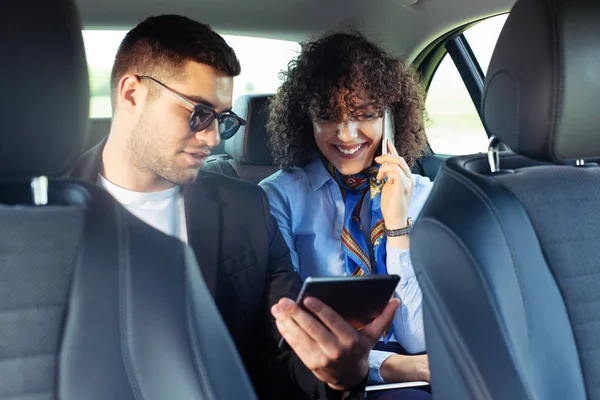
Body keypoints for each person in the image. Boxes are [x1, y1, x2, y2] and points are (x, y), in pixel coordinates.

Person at [70, 16, 399, 400]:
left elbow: (288, 348)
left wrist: (340, 374)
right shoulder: (34, 215)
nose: (211, 137)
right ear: (132, 94)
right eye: (198, 113)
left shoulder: (246, 210)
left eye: (221, 120)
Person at [259, 31, 434, 397]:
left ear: (391, 115)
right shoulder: (279, 197)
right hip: (326, 384)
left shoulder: (420, 192)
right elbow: (289, 330)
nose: (347, 134)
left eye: (365, 114)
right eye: (327, 116)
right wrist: (388, 366)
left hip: (420, 373)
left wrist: (398, 226)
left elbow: (418, 338)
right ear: (304, 119)